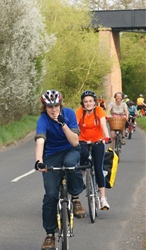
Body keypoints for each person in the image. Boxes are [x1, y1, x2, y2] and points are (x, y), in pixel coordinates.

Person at [35, 90, 85, 250]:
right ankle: (50, 235)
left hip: (70, 149)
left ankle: (75, 197)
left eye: (56, 105)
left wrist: (63, 124)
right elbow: (40, 141)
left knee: (71, 164)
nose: (53, 109)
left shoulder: (69, 114)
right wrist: (39, 161)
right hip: (51, 155)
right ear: (45, 107)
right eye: (49, 106)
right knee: (50, 196)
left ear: (60, 105)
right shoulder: (43, 119)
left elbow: (75, 142)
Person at [76, 90, 111, 210]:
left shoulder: (99, 111)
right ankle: (84, 176)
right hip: (83, 141)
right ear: (83, 103)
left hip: (98, 141)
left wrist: (106, 137)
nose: (88, 103)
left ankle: (102, 198)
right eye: (85, 101)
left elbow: (103, 124)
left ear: (94, 102)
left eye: (90, 101)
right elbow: (75, 126)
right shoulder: (80, 112)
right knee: (83, 155)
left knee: (98, 168)